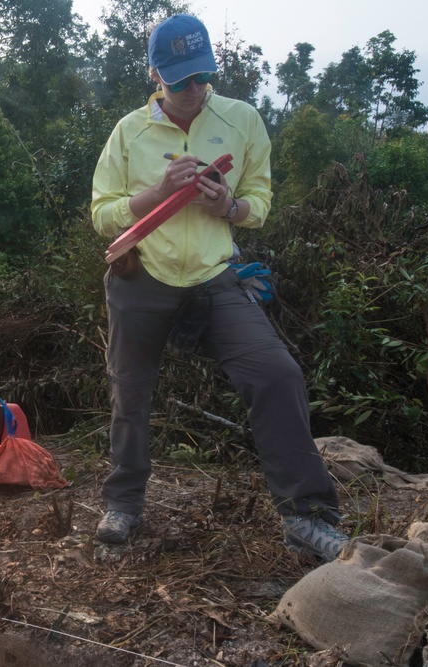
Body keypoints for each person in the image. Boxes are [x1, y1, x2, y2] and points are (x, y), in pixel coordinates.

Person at [90, 14, 349, 562]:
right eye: (181, 79)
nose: (194, 89)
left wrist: (227, 205)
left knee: (276, 373)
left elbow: (260, 202)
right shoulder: (128, 133)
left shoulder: (242, 120)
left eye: (203, 75)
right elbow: (102, 215)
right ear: (156, 73)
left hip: (214, 277)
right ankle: (125, 502)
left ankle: (307, 517)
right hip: (143, 277)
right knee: (129, 391)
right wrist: (158, 193)